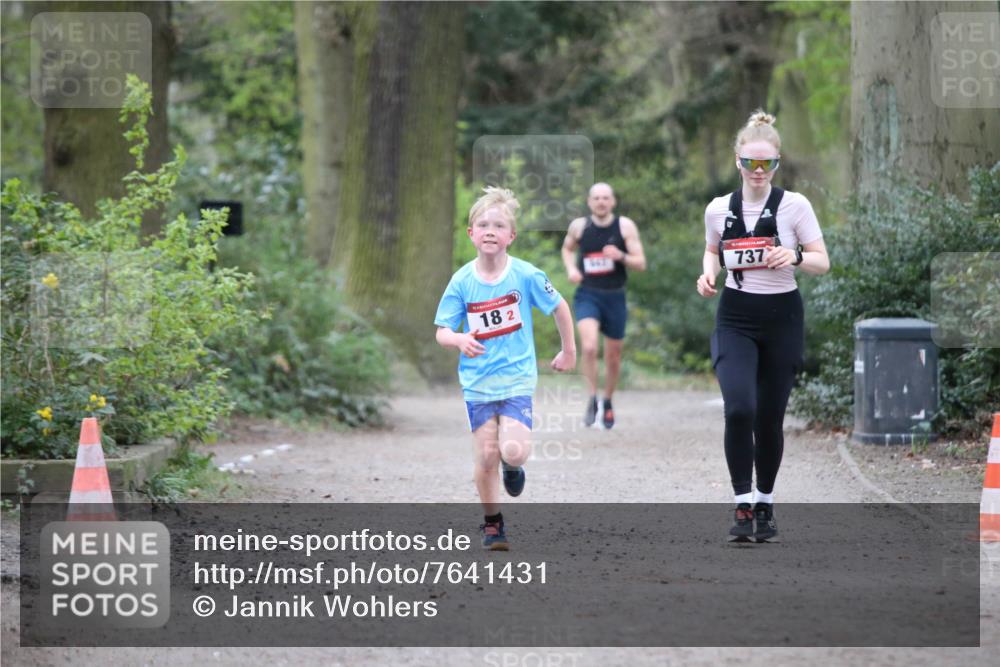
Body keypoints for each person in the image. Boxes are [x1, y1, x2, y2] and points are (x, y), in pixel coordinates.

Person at [695, 110, 830, 542]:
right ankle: (741, 504)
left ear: (777, 163)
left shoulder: (795, 206)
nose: (758, 171)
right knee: (739, 409)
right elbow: (712, 250)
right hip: (735, 317)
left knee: (769, 418)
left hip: (782, 318)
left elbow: (822, 261)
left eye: (766, 163)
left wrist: (794, 256)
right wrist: (708, 275)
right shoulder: (718, 208)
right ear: (737, 162)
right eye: (750, 163)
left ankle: (765, 503)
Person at [435, 187, 576, 550]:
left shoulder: (526, 275)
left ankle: (513, 467)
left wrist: (568, 351)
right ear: (471, 234)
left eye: (499, 225)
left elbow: (560, 307)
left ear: (511, 236)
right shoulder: (462, 281)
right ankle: (493, 524)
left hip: (516, 379)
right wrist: (459, 339)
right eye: (483, 225)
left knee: (512, 451)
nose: (490, 231)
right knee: (485, 456)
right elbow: (442, 331)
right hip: (478, 382)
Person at [561, 183, 646, 430]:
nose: (601, 202)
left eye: (605, 198)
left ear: (613, 202)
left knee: (613, 355)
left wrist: (621, 256)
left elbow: (641, 263)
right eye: (596, 198)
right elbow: (567, 249)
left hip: (615, 296)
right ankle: (592, 399)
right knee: (589, 347)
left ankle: (607, 400)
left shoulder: (624, 226)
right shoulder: (579, 226)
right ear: (589, 202)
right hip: (588, 294)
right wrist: (571, 269)